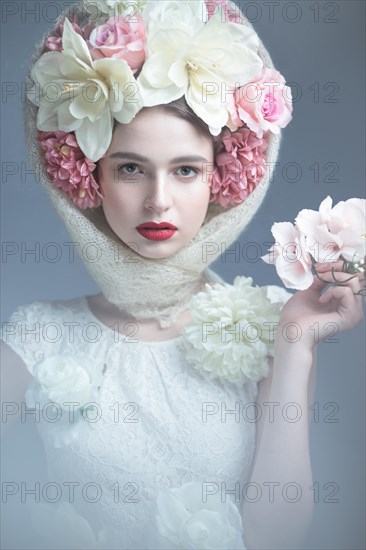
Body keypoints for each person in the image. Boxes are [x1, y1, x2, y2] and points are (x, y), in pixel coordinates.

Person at [1, 1, 364, 549]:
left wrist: (294, 343)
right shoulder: (37, 334)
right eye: (130, 168)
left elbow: (277, 539)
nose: (158, 202)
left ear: (223, 179)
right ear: (84, 175)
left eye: (186, 170)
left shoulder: (269, 325)